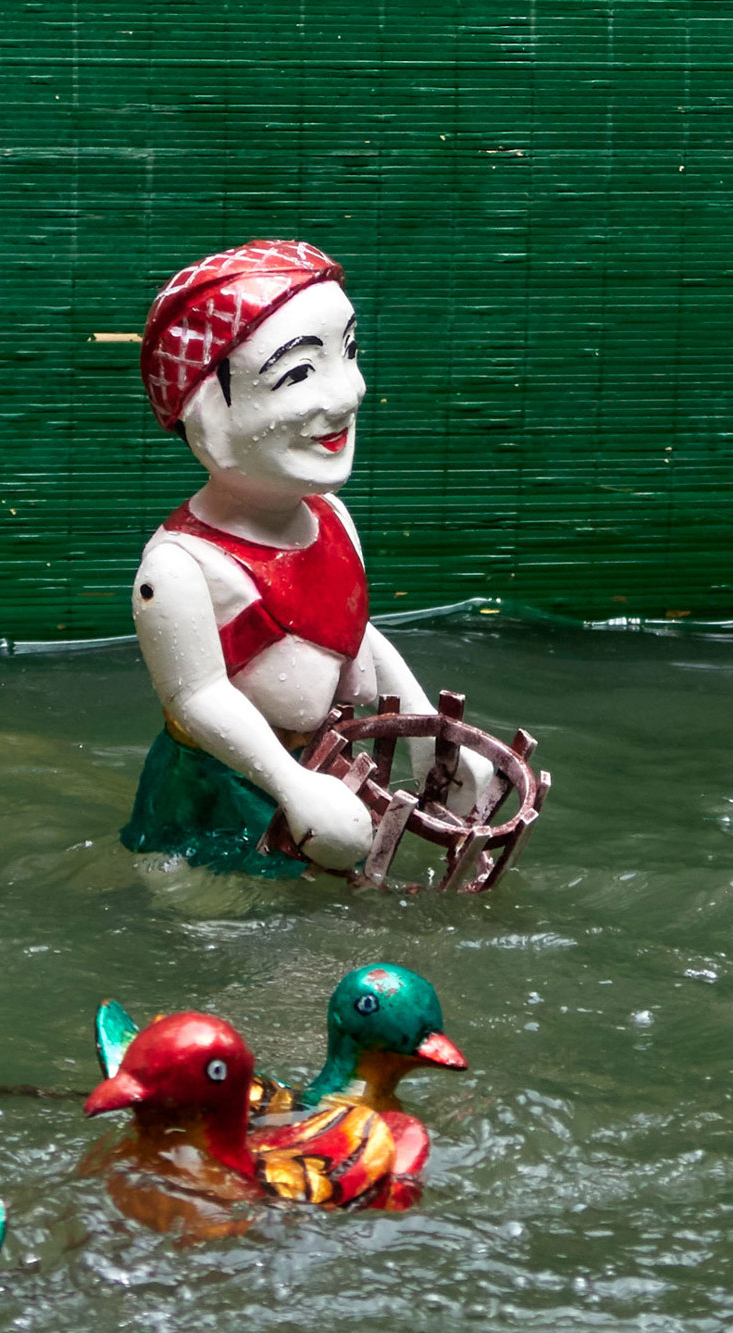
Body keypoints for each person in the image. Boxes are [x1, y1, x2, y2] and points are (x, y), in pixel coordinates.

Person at [121, 239, 487, 877]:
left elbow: (352, 632)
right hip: (221, 792)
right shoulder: (178, 570)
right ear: (206, 413)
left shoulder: (332, 517)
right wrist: (291, 786)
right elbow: (198, 696)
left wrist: (428, 733)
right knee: (216, 909)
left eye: (350, 352)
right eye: (297, 373)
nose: (348, 394)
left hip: (329, 767)